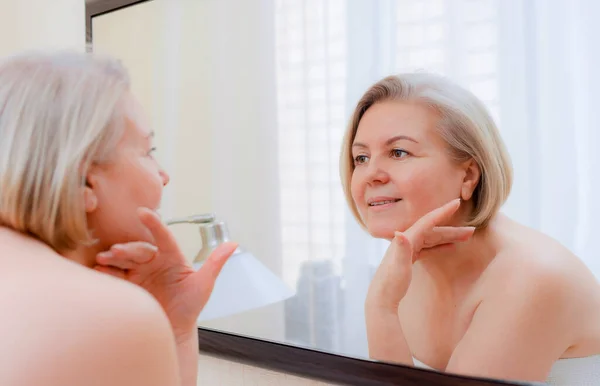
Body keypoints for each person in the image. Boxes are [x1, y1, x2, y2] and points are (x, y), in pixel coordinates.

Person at [339, 73, 600, 385]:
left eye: (398, 152)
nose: (371, 174)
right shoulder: (408, 265)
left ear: (468, 176)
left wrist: (380, 308)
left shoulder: (532, 279)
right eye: (362, 157)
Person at [0, 50, 238, 386]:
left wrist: (177, 329)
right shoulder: (107, 319)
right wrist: (145, 322)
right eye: (147, 151)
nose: (164, 175)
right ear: (84, 178)